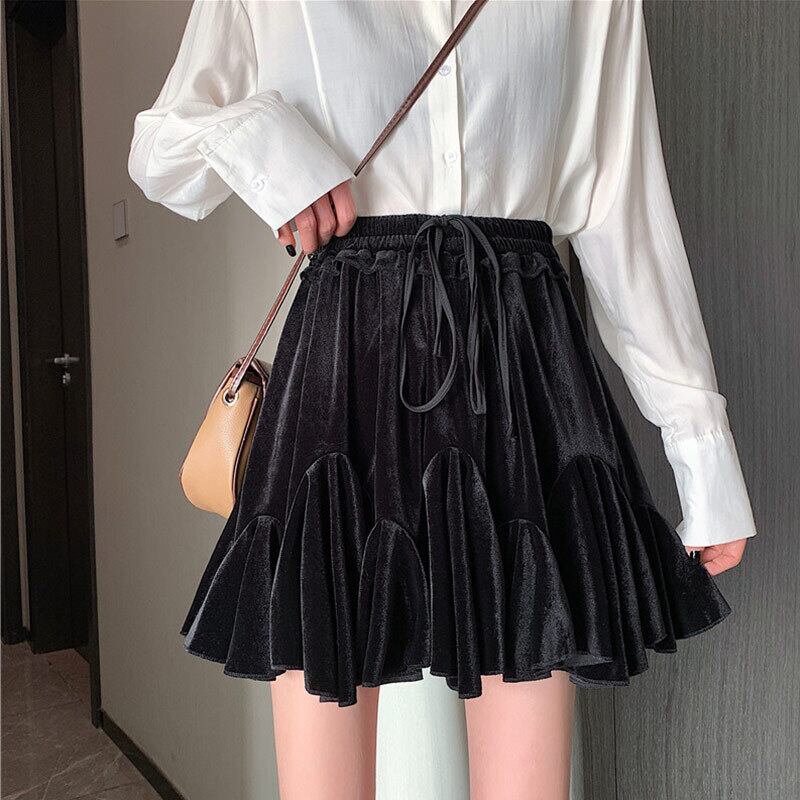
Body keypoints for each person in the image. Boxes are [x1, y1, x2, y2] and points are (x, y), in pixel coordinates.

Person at [127, 2, 757, 798]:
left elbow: (621, 205)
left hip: (522, 364)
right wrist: (262, 142)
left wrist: (702, 451)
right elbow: (161, 151)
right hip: (345, 359)